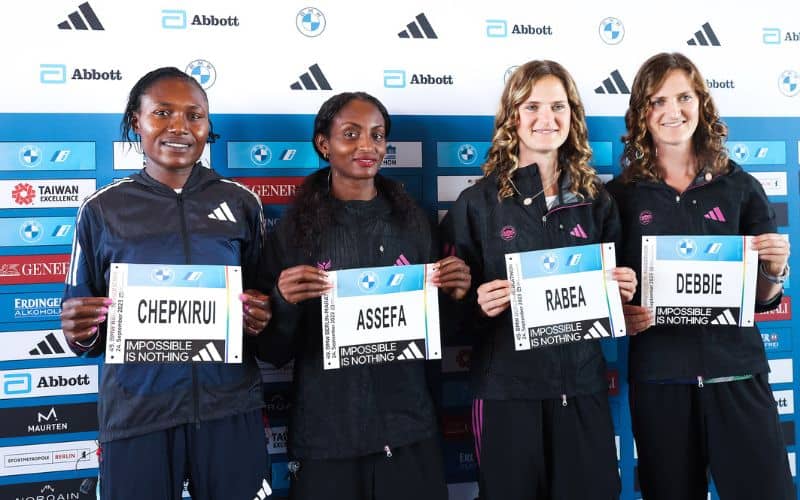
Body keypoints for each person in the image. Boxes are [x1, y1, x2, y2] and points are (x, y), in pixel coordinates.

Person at [60, 67, 272, 500]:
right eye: (162, 113)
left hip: (228, 409)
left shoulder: (241, 203)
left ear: (208, 127)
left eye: (195, 115)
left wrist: (263, 315)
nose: (180, 127)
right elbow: (83, 332)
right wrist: (78, 329)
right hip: (138, 414)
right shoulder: (102, 210)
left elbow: (266, 308)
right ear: (136, 122)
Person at [260, 91, 471, 500]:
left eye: (377, 136)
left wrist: (456, 294)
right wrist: (281, 303)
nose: (366, 146)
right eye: (351, 134)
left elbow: (438, 335)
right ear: (324, 144)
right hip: (327, 437)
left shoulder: (414, 221)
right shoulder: (294, 230)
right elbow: (272, 351)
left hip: (409, 430)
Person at [440, 60, 635, 500]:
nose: (546, 119)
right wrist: (474, 304)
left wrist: (623, 290)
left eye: (558, 107)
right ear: (513, 117)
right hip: (507, 395)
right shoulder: (476, 205)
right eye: (532, 107)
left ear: (573, 116)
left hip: (583, 388)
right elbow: (446, 315)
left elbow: (616, 303)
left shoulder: (596, 201)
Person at [606, 52, 794, 500]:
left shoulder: (741, 187)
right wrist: (622, 311)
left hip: (737, 376)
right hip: (661, 383)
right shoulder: (619, 196)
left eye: (684, 97)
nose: (673, 111)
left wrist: (774, 269)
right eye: (658, 101)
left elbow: (763, 299)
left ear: (702, 103)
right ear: (641, 113)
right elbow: (608, 288)